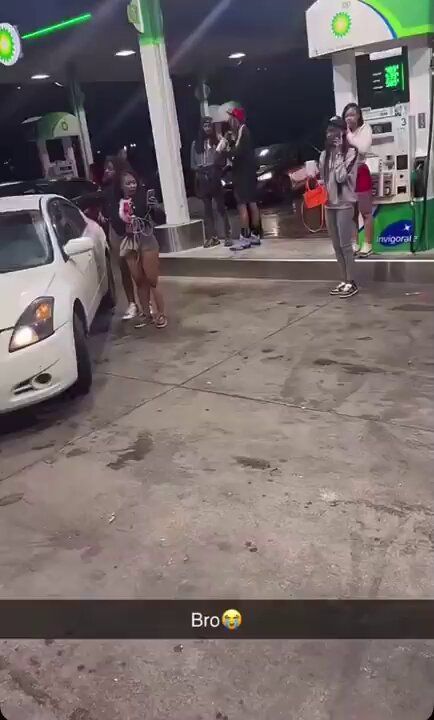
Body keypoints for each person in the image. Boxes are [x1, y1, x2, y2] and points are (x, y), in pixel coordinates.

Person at [117, 169, 167, 329]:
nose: (132, 186)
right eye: (128, 183)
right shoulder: (117, 202)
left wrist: (154, 208)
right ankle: (146, 314)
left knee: (152, 279)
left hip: (147, 240)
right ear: (121, 186)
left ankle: (160, 313)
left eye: (134, 182)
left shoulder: (144, 198)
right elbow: (116, 224)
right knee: (139, 280)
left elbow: (160, 219)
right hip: (130, 243)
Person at [320, 116, 359, 298]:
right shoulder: (324, 154)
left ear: (343, 132)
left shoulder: (351, 152)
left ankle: (352, 282)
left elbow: (342, 178)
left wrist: (337, 154)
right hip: (330, 205)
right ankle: (343, 280)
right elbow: (325, 179)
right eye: (329, 130)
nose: (331, 133)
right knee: (336, 246)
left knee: (345, 245)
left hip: (344, 204)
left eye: (335, 130)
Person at [102, 156, 138, 321]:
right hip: (115, 233)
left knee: (137, 270)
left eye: (110, 168)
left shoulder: (125, 187)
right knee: (123, 270)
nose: (107, 171)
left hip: (130, 232)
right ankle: (132, 303)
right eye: (106, 168)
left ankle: (146, 302)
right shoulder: (106, 188)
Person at [220, 107, 261, 251]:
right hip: (248, 174)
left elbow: (237, 153)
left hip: (243, 175)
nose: (230, 120)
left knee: (243, 205)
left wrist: (227, 150)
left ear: (238, 119)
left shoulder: (243, 132)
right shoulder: (242, 132)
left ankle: (245, 238)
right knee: (251, 204)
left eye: (232, 118)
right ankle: (255, 236)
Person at [191, 116, 231, 248]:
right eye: (205, 126)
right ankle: (212, 237)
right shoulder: (195, 144)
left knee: (220, 208)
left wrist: (216, 167)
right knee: (207, 210)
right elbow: (193, 164)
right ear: (201, 127)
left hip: (214, 176)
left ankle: (227, 235)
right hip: (203, 178)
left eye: (209, 126)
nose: (207, 128)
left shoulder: (216, 142)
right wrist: (201, 170)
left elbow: (223, 160)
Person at [342, 102, 373, 258]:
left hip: (361, 172)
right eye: (347, 115)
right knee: (352, 213)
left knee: (365, 212)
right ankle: (355, 243)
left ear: (359, 115)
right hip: (348, 176)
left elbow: (362, 149)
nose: (349, 118)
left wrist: (348, 136)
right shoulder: (344, 132)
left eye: (352, 114)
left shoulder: (365, 129)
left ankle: (368, 244)